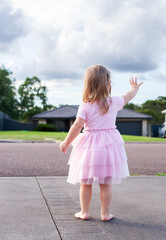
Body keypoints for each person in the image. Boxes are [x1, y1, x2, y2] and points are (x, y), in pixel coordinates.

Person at [59, 65, 143, 222]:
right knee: (105, 184)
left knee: (85, 184)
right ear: (108, 84)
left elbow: (77, 126)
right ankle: (105, 214)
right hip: (109, 146)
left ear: (88, 84)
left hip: (90, 147)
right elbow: (129, 95)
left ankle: (84, 212)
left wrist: (65, 142)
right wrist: (134, 88)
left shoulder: (85, 104)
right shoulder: (114, 102)